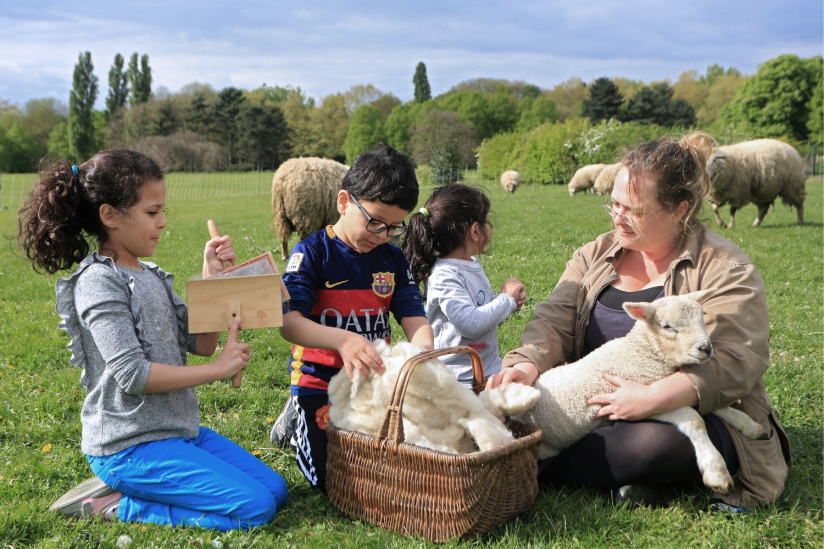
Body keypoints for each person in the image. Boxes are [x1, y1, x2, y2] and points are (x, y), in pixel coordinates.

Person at [487, 132, 790, 510]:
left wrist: (650, 398)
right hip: (596, 407)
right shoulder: (595, 254)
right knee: (571, 423)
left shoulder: (724, 268)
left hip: (691, 408)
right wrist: (527, 362)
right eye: (614, 204)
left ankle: (531, 465)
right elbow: (554, 319)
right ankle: (623, 478)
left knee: (652, 446)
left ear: (680, 209)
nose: (619, 218)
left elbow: (735, 358)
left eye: (636, 211)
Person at [16, 149, 288, 530]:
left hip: (177, 432)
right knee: (255, 509)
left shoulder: (153, 274)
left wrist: (211, 279)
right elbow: (133, 375)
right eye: (151, 212)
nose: (162, 223)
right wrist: (216, 371)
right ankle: (116, 504)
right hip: (129, 446)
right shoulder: (98, 281)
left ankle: (149, 486)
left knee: (275, 489)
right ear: (109, 215)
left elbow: (202, 342)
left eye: (162, 212)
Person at [271, 143, 434, 491]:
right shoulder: (311, 253)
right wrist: (343, 340)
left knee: (394, 464)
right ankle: (296, 419)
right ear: (344, 202)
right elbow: (288, 322)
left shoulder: (392, 259)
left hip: (372, 382)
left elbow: (413, 316)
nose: (383, 235)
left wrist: (420, 350)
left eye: (393, 227)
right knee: (331, 480)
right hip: (319, 383)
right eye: (374, 222)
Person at [401, 184, 526, 387]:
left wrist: (505, 303)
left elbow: (475, 311)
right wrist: (506, 300)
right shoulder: (445, 275)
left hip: (484, 370)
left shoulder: (468, 265)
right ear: (475, 231)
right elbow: (470, 323)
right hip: (457, 382)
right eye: (487, 221)